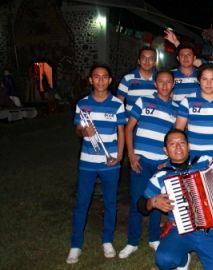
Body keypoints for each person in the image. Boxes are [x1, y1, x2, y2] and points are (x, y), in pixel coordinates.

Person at [141, 128, 213, 270]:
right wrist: (153, 202)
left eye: (182, 142)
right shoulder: (160, 176)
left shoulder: (206, 161)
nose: (178, 147)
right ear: (165, 150)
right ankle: (183, 261)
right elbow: (141, 205)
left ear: (188, 146)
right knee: (163, 260)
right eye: (172, 144)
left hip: (210, 231)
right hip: (180, 231)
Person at [66, 64, 126, 264]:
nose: (100, 80)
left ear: (110, 80)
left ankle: (107, 240)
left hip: (110, 162)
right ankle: (76, 245)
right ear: (91, 80)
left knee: (110, 202)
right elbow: (77, 129)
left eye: (104, 77)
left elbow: (121, 132)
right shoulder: (82, 104)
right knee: (82, 203)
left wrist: (119, 155)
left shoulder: (117, 104)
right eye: (96, 77)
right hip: (87, 162)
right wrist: (84, 132)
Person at [175, 64, 213, 249]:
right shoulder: (187, 101)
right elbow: (178, 130)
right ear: (198, 80)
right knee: (195, 197)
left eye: (212, 79)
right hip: (194, 158)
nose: (208, 83)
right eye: (204, 79)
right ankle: (197, 231)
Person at [118, 71, 178, 259]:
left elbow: (175, 138)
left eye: (169, 82)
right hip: (141, 162)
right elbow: (129, 128)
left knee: (158, 201)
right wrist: (131, 155)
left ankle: (154, 238)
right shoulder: (143, 102)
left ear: (173, 84)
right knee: (138, 200)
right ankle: (132, 242)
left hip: (161, 165)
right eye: (161, 81)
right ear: (155, 83)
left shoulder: (176, 109)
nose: (165, 85)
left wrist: (168, 162)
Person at [117, 46, 158, 113]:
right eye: (144, 58)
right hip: (130, 122)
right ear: (139, 61)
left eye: (151, 58)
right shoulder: (127, 79)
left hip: (152, 122)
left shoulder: (160, 80)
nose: (147, 61)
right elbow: (118, 103)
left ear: (155, 62)